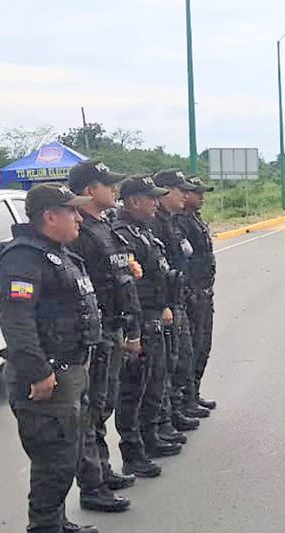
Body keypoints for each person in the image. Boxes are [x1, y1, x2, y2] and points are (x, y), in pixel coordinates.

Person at [0, 183, 103, 533]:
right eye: (70, 211)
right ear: (49, 216)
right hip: (48, 376)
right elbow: (17, 321)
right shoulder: (23, 259)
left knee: (68, 451)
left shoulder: (58, 254)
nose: (78, 217)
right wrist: (38, 372)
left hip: (68, 369)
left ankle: (56, 521)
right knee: (52, 458)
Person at [66, 160, 139, 513]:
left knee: (103, 404)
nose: (113, 190)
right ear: (88, 191)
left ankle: (102, 470)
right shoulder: (80, 234)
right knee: (91, 410)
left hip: (113, 326)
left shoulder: (104, 227)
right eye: (106, 184)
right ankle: (92, 485)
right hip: (97, 332)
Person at [112, 175, 184, 475]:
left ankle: (150, 437)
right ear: (134, 201)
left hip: (155, 315)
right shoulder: (122, 234)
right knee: (134, 391)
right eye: (151, 198)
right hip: (140, 319)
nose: (156, 202)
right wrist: (135, 327)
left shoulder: (143, 231)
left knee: (155, 380)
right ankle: (134, 451)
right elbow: (129, 285)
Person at [151, 169, 208, 433]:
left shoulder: (174, 221)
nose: (186, 195)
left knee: (188, 353)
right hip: (168, 304)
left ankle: (184, 402)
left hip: (186, 296)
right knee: (170, 364)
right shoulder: (157, 225)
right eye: (180, 190)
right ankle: (169, 415)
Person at [177, 175, 217, 410]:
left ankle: (193, 394)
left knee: (202, 346)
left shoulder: (195, 219)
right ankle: (186, 399)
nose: (200, 197)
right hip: (192, 293)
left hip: (204, 291)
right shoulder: (179, 222)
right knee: (190, 349)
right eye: (196, 192)